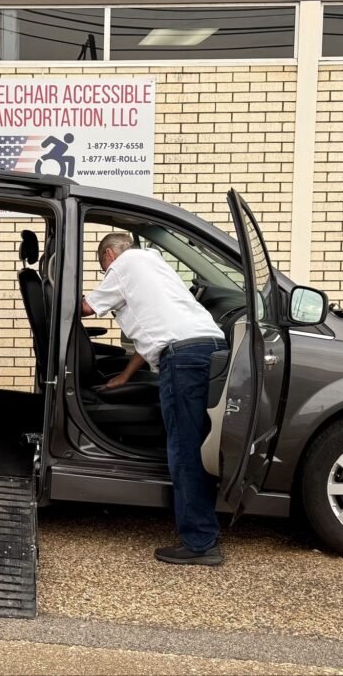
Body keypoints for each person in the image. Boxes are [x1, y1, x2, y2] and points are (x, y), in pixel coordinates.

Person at [81, 232, 227, 566]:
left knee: (184, 450)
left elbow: (86, 308)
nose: (105, 273)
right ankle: (205, 528)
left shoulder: (124, 264)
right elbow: (156, 333)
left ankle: (201, 542)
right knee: (199, 443)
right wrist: (125, 376)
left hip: (184, 360)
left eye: (102, 265)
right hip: (209, 349)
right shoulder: (154, 265)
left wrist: (57, 295)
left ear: (109, 254)